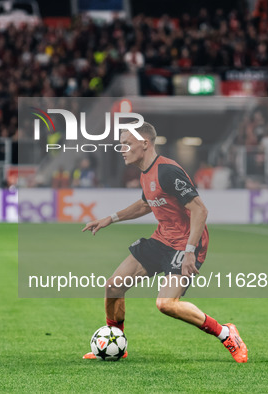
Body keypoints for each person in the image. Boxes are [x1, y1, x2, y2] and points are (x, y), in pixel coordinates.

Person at [81, 122, 248, 363]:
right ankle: (115, 342)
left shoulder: (168, 171)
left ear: (145, 143)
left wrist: (190, 251)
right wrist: (111, 218)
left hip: (187, 243)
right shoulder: (145, 172)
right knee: (114, 286)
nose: (122, 149)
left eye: (126, 144)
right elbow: (144, 204)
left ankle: (226, 333)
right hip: (162, 239)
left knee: (166, 304)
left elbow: (200, 210)